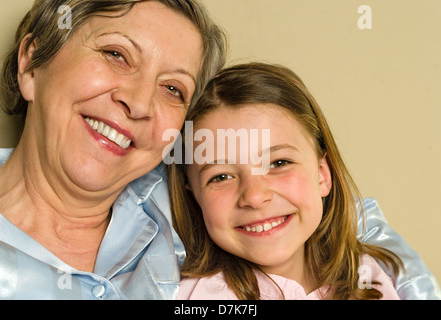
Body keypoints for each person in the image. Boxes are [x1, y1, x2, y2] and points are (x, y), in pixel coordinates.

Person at [0, 0, 226, 299]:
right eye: (116, 55)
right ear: (31, 65)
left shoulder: (200, 207)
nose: (139, 104)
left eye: (173, 89)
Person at [169, 62, 441, 299]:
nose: (254, 196)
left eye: (279, 163)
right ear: (194, 196)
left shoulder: (376, 276)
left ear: (322, 174)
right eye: (222, 176)